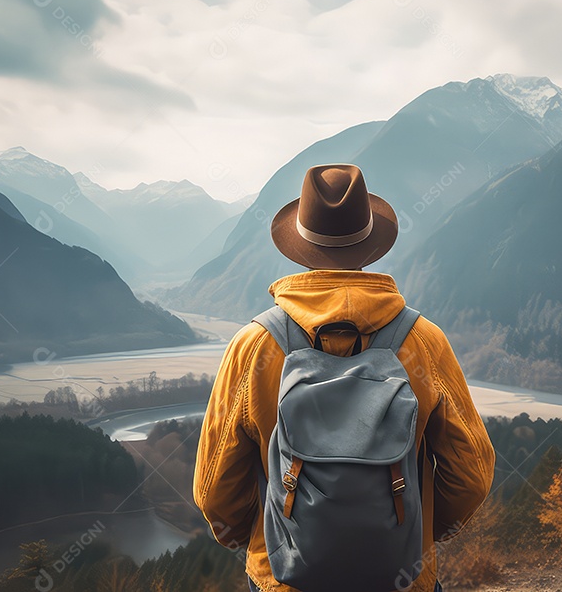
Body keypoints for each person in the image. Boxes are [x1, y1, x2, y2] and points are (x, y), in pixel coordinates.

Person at [193, 163, 495, 592]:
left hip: (284, 580)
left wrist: (272, 541)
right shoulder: (424, 341)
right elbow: (471, 476)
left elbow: (212, 491)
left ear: (300, 246)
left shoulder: (254, 345)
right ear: (371, 245)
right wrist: (412, 533)